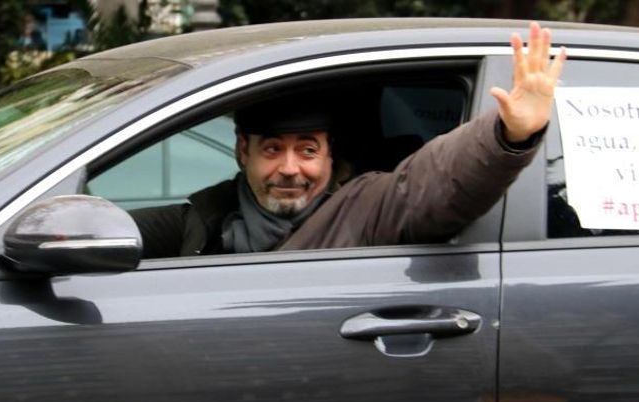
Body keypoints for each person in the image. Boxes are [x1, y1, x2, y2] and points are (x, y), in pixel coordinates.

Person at [131, 22, 567, 258]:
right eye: (271, 149)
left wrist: (508, 135)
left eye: (307, 150)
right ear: (242, 151)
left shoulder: (367, 207)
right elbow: (96, 230)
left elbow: (433, 182)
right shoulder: (199, 221)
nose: (289, 168)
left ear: (329, 154)